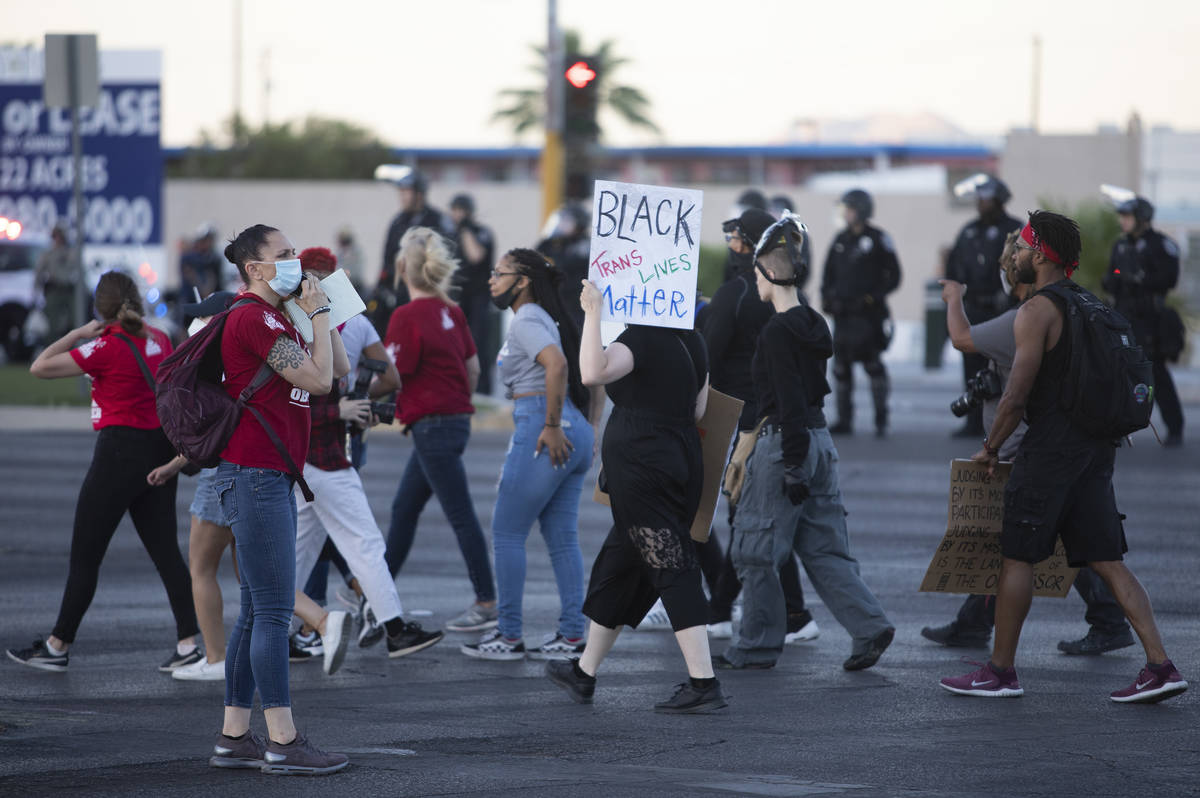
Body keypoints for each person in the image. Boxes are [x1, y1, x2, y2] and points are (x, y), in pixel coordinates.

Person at [940, 210, 1187, 703]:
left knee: (1017, 558)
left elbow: (1015, 394)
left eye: (1023, 249)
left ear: (1041, 255)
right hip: (1096, 452)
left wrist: (990, 448)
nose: (1016, 256)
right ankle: (1161, 666)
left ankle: (1000, 671)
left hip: (1050, 452)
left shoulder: (1037, 312)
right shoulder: (1090, 303)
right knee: (1107, 560)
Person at [922, 232, 1134, 656]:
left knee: (1035, 546)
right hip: (1075, 445)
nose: (1012, 262)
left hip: (1033, 450)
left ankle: (1097, 625)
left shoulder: (1031, 314)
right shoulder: (1074, 307)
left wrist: (953, 298)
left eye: (1016, 255)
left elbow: (976, 354)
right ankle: (974, 622)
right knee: (1043, 542)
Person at [717, 214, 895, 672]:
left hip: (785, 444)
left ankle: (755, 646)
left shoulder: (777, 332)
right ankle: (870, 626)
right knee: (824, 549)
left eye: (757, 272)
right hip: (819, 442)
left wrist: (792, 464)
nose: (752, 280)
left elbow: (790, 401)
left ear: (770, 274)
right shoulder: (815, 322)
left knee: (755, 551)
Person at [545, 278, 727, 715]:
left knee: (671, 563)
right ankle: (584, 672)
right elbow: (699, 410)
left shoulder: (641, 336)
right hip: (677, 458)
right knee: (620, 564)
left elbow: (592, 372)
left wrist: (593, 314)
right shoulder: (693, 341)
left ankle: (704, 682)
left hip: (644, 466)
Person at [208, 224, 350, 774]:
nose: (295, 261)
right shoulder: (250, 317)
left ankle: (235, 734)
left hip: (266, 474)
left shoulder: (274, 314)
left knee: (253, 613)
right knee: (270, 612)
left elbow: (334, 370)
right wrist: (312, 314)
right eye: (284, 255)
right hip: (255, 474)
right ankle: (283, 741)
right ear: (254, 268)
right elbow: (315, 383)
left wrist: (324, 310)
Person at [7, 271, 199, 673]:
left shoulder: (103, 347)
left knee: (86, 555)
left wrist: (78, 331)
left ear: (100, 308)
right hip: (160, 450)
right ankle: (188, 644)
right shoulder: (159, 339)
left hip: (118, 452)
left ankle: (57, 645)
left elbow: (39, 366)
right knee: (167, 554)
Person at [292, 246, 444, 660]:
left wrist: (349, 404)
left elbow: (303, 390)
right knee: (363, 543)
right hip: (320, 452)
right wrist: (345, 405)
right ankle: (394, 628)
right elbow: (298, 391)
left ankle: (276, 629)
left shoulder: (309, 322)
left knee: (302, 550)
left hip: (308, 452)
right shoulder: (322, 323)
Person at [461, 249, 601, 661]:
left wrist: (554, 426)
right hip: (568, 425)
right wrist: (588, 429)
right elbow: (593, 380)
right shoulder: (547, 317)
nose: (491, 280)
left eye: (498, 273)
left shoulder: (526, 319)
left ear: (522, 280)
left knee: (506, 533)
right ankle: (573, 635)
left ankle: (508, 635)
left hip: (544, 424)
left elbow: (557, 366)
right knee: (562, 540)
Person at [703, 207, 817, 644]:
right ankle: (792, 612)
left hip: (744, 423)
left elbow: (706, 358)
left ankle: (724, 610)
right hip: (780, 420)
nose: (731, 247)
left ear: (754, 245)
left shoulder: (734, 294)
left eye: (736, 238)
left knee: (748, 518)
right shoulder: (794, 300)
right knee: (759, 519)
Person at [383, 227, 498, 634]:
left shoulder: (405, 316)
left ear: (403, 268)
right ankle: (376, 593)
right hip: (453, 421)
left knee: (460, 514)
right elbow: (474, 368)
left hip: (431, 426)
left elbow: (393, 374)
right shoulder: (452, 310)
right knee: (404, 509)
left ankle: (486, 600)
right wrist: (454, 401)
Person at [1102, 195, 1185, 447]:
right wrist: (1118, 276)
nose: (1123, 222)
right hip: (1124, 317)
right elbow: (1112, 274)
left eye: (1127, 217)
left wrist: (1141, 277)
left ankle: (1174, 427)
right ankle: (1115, 428)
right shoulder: (1121, 246)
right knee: (1117, 373)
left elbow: (1168, 277)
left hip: (1150, 319)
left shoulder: (1160, 245)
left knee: (1155, 373)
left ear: (1142, 219)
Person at [945, 175, 1022, 438]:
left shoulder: (1014, 229)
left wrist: (1011, 298)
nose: (980, 202)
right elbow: (953, 266)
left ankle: (1003, 423)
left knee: (1003, 369)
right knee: (971, 368)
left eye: (985, 197)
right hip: (974, 309)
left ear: (999, 200)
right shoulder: (969, 231)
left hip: (1002, 311)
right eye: (978, 198)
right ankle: (973, 422)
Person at [822, 189, 902, 437]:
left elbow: (895, 276)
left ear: (862, 210)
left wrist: (871, 298)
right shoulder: (839, 240)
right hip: (843, 317)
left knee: (873, 366)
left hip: (869, 318)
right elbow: (828, 276)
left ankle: (881, 419)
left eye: (849, 208)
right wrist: (828, 300)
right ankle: (844, 420)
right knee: (841, 369)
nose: (845, 213)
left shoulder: (879, 239)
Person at [369, 167, 456, 336]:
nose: (401, 196)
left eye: (406, 192)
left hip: (427, 293)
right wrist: (380, 287)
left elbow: (449, 260)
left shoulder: (438, 220)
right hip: (398, 293)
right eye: (400, 192)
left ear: (419, 194)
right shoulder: (398, 221)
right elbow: (386, 259)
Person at [449, 194, 497, 395]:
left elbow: (476, 256)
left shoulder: (481, 233)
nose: (457, 215)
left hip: (478, 296)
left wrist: (466, 230)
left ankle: (482, 390)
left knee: (477, 342)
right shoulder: (450, 234)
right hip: (457, 296)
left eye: (461, 210)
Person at [536, 204, 592, 331]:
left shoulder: (585, 246)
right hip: (552, 303)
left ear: (578, 225)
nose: (561, 224)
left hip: (575, 307)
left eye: (567, 221)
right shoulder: (549, 244)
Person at [33, 223, 76, 342]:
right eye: (56, 236)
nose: (58, 239)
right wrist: (35, 292)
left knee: (73, 320)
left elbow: (78, 270)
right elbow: (39, 273)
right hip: (54, 289)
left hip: (68, 290)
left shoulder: (70, 252)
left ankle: (71, 347)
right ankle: (50, 348)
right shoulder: (48, 254)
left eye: (60, 236)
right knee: (52, 322)